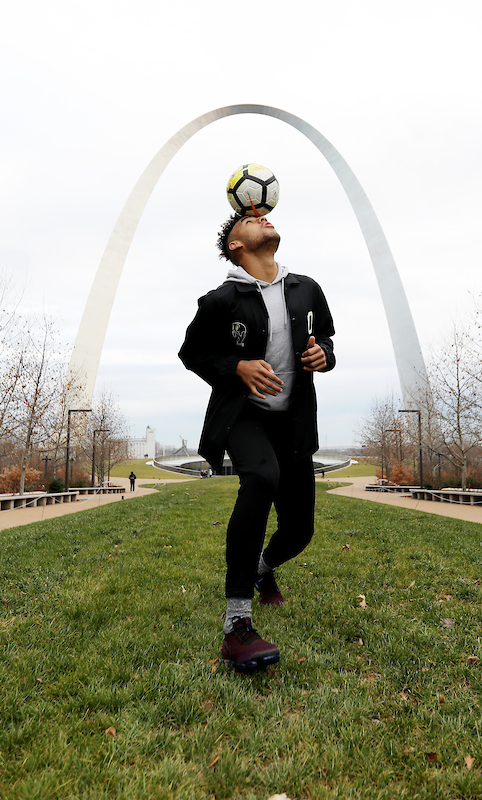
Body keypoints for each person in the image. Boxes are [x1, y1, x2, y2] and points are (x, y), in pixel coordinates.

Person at [179, 209, 335, 672]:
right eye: (249, 219)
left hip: (294, 422)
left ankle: (263, 569)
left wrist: (322, 354)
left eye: (266, 215)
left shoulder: (308, 288)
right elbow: (193, 352)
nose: (264, 218)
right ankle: (237, 625)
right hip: (245, 416)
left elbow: (326, 338)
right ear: (235, 245)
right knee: (261, 478)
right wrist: (237, 367)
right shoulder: (220, 301)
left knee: (300, 530)